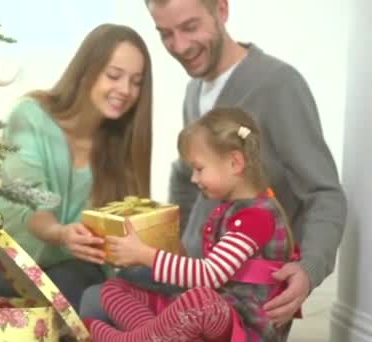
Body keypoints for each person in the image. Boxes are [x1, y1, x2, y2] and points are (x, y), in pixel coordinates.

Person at [80, 0, 347, 329]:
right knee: (109, 287)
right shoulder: (195, 91)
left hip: (234, 300)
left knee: (95, 300)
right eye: (165, 34)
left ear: (222, 10)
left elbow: (324, 193)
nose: (179, 46)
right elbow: (184, 172)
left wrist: (309, 268)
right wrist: (170, 237)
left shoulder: (278, 85)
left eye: (190, 27)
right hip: (194, 275)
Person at [0, 23, 154, 312]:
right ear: (86, 71)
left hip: (76, 273)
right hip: (9, 262)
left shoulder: (123, 144)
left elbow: (127, 228)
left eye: (137, 81)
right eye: (114, 76)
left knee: (81, 285)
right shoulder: (29, 116)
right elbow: (28, 203)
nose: (126, 90)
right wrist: (61, 234)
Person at [87, 107, 300, 341]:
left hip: (245, 327)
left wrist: (146, 255)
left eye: (199, 169)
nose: (194, 179)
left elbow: (211, 275)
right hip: (218, 314)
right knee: (114, 289)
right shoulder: (233, 208)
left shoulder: (256, 217)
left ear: (235, 162)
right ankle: (153, 336)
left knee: (200, 300)